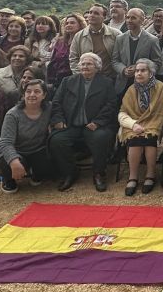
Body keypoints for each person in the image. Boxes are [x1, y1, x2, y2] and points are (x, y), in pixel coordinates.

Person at [49, 52, 118, 192]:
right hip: (71, 124)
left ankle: (99, 173)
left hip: (95, 125)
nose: (85, 66)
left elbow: (111, 104)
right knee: (57, 140)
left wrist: (98, 122)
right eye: (83, 63)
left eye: (89, 64)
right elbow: (56, 102)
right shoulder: (68, 81)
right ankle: (70, 173)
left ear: (97, 67)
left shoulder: (106, 82)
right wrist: (59, 119)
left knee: (101, 138)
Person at [118, 59, 163, 196]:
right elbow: (122, 112)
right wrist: (133, 124)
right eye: (137, 71)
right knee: (135, 140)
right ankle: (133, 177)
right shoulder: (131, 89)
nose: (139, 73)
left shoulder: (160, 87)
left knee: (149, 138)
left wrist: (155, 124)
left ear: (151, 73)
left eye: (143, 70)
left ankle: (150, 175)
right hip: (134, 123)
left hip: (154, 122)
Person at [0, 79, 54, 193]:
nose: (32, 95)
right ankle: (7, 179)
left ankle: (35, 173)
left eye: (37, 91)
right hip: (16, 151)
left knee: (47, 166)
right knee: (7, 162)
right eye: (28, 91)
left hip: (37, 149)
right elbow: (6, 142)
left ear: (44, 95)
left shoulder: (49, 108)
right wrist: (14, 161)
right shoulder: (13, 114)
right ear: (23, 94)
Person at [112, 7, 163, 94]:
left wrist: (139, 69)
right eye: (127, 17)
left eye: (133, 18)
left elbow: (157, 63)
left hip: (144, 85)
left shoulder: (152, 40)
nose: (129, 20)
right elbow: (115, 61)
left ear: (142, 20)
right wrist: (124, 70)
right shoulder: (120, 38)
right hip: (123, 85)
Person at [69, 4, 120, 78]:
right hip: (86, 79)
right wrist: (81, 76)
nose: (92, 15)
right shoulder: (79, 36)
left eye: (96, 13)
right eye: (90, 12)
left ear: (104, 17)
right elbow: (73, 59)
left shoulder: (115, 34)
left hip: (109, 78)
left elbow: (121, 57)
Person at [46, 13, 86, 88]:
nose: (68, 25)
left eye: (72, 23)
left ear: (80, 25)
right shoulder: (60, 41)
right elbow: (53, 61)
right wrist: (50, 80)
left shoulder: (84, 41)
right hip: (58, 80)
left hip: (76, 79)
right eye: (67, 23)